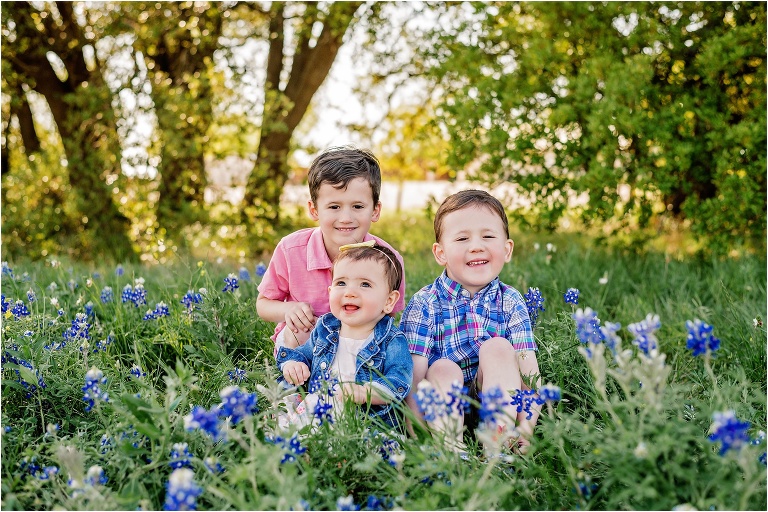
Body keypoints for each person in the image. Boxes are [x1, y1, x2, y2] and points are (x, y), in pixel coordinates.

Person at [400, 189, 540, 454]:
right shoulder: (424, 303)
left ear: (507, 249)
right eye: (462, 238)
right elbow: (414, 379)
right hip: (442, 409)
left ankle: (499, 443)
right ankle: (451, 449)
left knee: (499, 348)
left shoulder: (511, 300)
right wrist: (417, 436)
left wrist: (526, 428)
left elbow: (528, 374)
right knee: (441, 367)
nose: (476, 246)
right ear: (440, 253)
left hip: (497, 403)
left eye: (488, 236)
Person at [256, 146, 406, 351]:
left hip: (357, 342)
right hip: (304, 341)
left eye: (358, 206)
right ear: (314, 209)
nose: (346, 218)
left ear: (375, 210)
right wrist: (289, 309)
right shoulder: (290, 250)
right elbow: (263, 304)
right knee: (297, 332)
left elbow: (388, 315)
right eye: (334, 207)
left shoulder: (387, 259)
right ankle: (297, 375)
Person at [276, 242, 413, 429]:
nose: (349, 292)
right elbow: (303, 354)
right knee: (290, 432)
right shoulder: (325, 329)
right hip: (319, 410)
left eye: (365, 284)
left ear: (389, 301)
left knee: (374, 446)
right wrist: (294, 364)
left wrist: (366, 392)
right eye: (341, 283)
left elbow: (399, 380)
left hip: (366, 422)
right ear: (330, 291)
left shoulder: (392, 340)